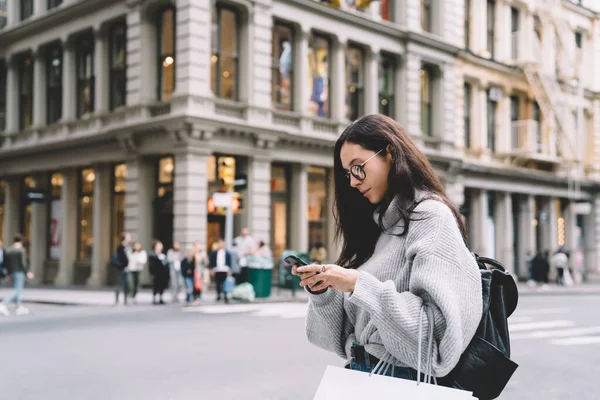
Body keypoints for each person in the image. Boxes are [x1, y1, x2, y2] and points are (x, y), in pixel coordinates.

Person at [292, 114, 482, 382]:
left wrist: (359, 284)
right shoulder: (379, 228)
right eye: (347, 173)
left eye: (359, 167)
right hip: (363, 377)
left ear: (390, 154)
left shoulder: (430, 217)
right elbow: (336, 339)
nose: (353, 181)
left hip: (399, 382)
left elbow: (438, 345)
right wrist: (323, 292)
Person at [0, 234, 35, 316]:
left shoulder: (9, 250)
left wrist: (7, 273)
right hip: (19, 272)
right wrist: (27, 272)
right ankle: (3, 303)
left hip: (11, 272)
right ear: (21, 241)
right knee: (17, 289)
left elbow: (6, 263)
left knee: (17, 289)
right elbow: (23, 263)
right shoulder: (21, 250)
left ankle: (19, 307)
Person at [209, 239, 233, 304]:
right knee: (218, 283)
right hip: (217, 270)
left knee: (225, 284)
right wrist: (211, 269)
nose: (221, 245)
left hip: (224, 270)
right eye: (219, 243)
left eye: (222, 244)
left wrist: (229, 270)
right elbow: (211, 262)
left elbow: (229, 262)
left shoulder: (227, 253)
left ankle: (225, 296)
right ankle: (218, 295)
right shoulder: (214, 253)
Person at [149, 240, 169, 305]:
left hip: (162, 273)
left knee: (162, 286)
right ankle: (154, 298)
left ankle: (160, 298)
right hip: (156, 273)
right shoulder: (152, 254)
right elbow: (152, 264)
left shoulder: (163, 255)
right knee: (155, 286)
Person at [114, 233, 131, 306]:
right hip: (121, 268)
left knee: (126, 284)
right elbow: (120, 257)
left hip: (127, 268)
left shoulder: (128, 247)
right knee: (119, 284)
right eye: (128, 237)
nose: (130, 238)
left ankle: (125, 299)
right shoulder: (120, 247)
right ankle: (117, 299)